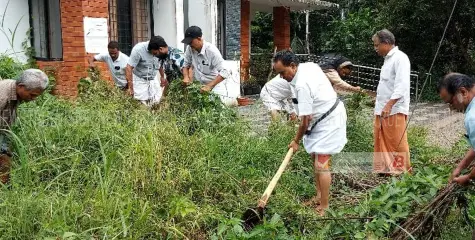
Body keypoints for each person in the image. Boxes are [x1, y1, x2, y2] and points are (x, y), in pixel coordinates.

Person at [273, 50, 347, 216]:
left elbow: (305, 120)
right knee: (315, 158)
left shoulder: (302, 84)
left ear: (293, 66)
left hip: (330, 120)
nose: (281, 77)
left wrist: (296, 141)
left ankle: (325, 206)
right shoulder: (308, 66)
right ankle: (319, 196)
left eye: (282, 72)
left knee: (322, 163)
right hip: (320, 118)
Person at [371, 29, 411, 175]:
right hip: (382, 109)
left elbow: (402, 85)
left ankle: (402, 172)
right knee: (380, 138)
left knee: (396, 142)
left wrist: (389, 104)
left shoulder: (400, 58)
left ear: (386, 43)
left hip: (394, 109)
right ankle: (386, 170)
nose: (375, 48)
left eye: (376, 45)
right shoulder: (387, 60)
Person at [0, 69, 49, 184]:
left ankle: (5, 189)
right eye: (32, 95)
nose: (33, 99)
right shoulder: (2, 97)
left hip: (4, 130)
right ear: (21, 86)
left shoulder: (15, 89)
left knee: (5, 159)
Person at [181, 26, 234, 105]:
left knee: (215, 108)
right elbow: (186, 64)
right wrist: (186, 77)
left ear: (199, 39)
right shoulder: (190, 48)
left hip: (215, 85)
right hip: (200, 86)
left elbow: (225, 71)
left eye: (191, 41)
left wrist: (209, 86)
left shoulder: (211, 51)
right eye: (188, 42)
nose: (189, 44)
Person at [439, 73, 475, 185]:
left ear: (463, 92)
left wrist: (469, 177)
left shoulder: (472, 118)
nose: (451, 108)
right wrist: (459, 168)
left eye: (450, 102)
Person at [126, 36, 166, 106]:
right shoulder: (138, 49)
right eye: (154, 53)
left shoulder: (161, 50)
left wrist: (162, 77)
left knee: (157, 102)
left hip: (153, 79)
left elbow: (160, 64)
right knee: (142, 104)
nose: (156, 55)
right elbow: (129, 67)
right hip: (140, 79)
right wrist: (130, 86)